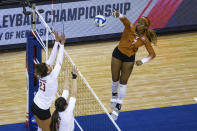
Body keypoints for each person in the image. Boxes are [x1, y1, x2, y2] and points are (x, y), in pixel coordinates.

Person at [110, 10, 157, 120]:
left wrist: (143, 61)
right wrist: (118, 14)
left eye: (141, 23)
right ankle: (113, 95)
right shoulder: (130, 27)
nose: (138, 24)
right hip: (117, 53)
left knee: (123, 83)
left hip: (129, 59)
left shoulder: (145, 39)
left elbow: (152, 54)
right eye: (138, 21)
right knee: (114, 78)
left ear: (145, 27)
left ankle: (117, 107)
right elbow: (124, 18)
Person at [31, 31, 66, 131]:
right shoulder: (52, 78)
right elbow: (59, 61)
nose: (50, 65)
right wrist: (62, 44)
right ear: (47, 71)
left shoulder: (42, 74)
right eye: (49, 66)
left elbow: (52, 58)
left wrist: (56, 41)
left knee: (40, 128)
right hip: (42, 109)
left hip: (34, 105)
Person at [50, 65, 78, 131]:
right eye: (67, 103)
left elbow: (66, 90)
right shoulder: (68, 111)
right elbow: (74, 94)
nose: (68, 102)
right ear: (65, 106)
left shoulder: (58, 110)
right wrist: (74, 77)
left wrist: (66, 73)